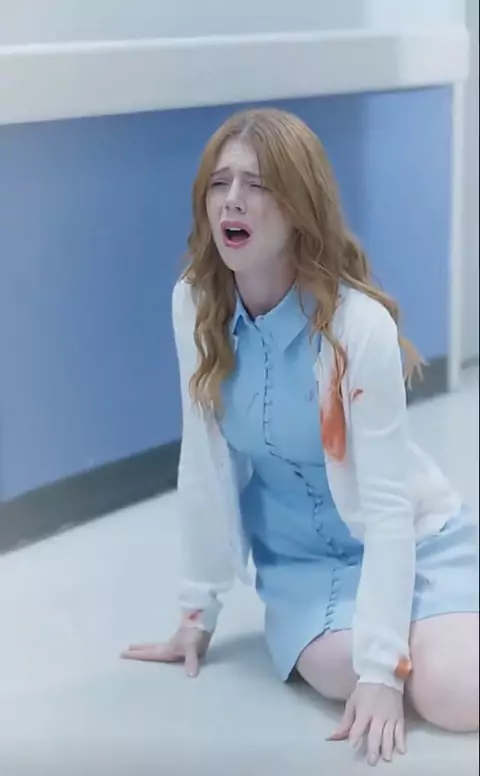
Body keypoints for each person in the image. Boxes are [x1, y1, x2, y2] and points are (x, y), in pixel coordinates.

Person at [122, 108, 479, 765]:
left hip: (411, 538)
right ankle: (418, 636)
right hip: (304, 569)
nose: (232, 200)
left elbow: (387, 505)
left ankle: (434, 626)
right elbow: (203, 462)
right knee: (348, 670)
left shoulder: (357, 327)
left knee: (453, 695)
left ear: (299, 207)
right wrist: (197, 610)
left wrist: (383, 670)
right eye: (219, 183)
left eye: (256, 185)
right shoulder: (195, 304)